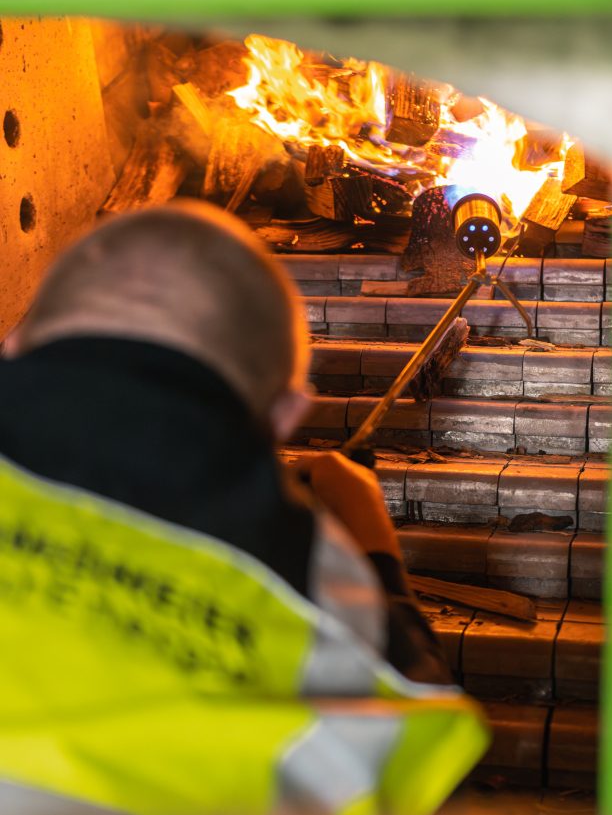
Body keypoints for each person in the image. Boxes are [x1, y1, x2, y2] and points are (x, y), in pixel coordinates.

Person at [0, 200, 450, 685]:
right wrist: (372, 550)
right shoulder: (304, 572)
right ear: (287, 415)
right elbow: (411, 711)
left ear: (13, 344)